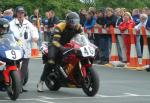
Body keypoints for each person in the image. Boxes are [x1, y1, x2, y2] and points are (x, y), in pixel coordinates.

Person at [37, 12, 83, 92]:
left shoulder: (78, 27)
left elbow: (82, 37)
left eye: (76, 21)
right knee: (51, 61)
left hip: (68, 44)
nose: (74, 23)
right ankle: (41, 82)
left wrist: (85, 44)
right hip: (54, 44)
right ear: (68, 21)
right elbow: (55, 41)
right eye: (73, 21)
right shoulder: (60, 26)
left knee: (77, 56)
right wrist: (62, 48)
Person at [9, 6, 39, 92]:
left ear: (24, 13)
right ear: (16, 13)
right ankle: (14, 85)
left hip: (26, 48)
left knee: (24, 69)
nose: (20, 14)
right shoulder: (11, 24)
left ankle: (20, 85)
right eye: (19, 13)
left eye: (22, 13)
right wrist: (14, 39)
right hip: (15, 48)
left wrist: (35, 37)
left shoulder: (28, 23)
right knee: (15, 67)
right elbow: (8, 33)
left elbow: (34, 31)